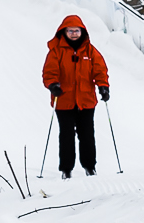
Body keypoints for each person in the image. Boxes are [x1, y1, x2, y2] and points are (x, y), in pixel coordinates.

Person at [43, 14, 110, 179]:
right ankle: (66, 169)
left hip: (86, 101)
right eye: (70, 31)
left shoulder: (90, 51)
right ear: (64, 32)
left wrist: (103, 87)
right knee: (66, 135)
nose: (73, 33)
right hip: (63, 100)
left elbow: (100, 70)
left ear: (82, 31)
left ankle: (90, 167)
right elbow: (49, 72)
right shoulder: (56, 51)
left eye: (76, 31)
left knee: (87, 134)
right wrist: (53, 85)